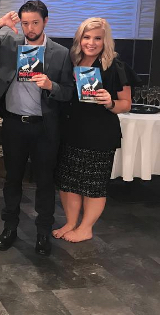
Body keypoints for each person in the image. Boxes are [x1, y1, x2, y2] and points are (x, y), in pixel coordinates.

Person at [0, 0, 74, 256]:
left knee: (45, 181)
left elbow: (69, 92)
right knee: (12, 179)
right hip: (13, 124)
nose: (30, 28)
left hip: (45, 127)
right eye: (25, 23)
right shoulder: (8, 44)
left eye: (35, 22)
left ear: (46, 21)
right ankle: (9, 227)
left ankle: (43, 231)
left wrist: (51, 86)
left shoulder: (60, 53)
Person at [53, 18, 137, 242]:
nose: (91, 42)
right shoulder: (71, 61)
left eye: (97, 38)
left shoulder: (115, 66)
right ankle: (71, 222)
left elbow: (126, 104)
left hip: (99, 134)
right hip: (71, 131)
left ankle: (86, 228)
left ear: (105, 40)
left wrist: (110, 102)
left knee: (93, 185)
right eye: (87, 37)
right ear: (79, 39)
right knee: (68, 182)